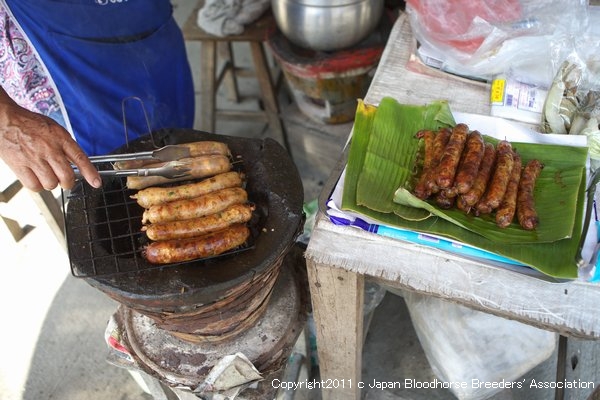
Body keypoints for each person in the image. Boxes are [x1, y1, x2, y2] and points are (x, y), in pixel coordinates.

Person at [0, 0, 195, 192]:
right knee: (101, 189)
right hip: (57, 57)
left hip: (153, 28)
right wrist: (5, 121)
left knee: (180, 145)